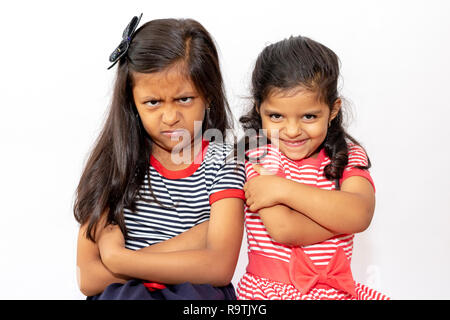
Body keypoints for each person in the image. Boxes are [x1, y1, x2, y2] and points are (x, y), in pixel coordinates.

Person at [74, 16, 246, 300]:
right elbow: (89, 278)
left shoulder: (224, 161)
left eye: (184, 99)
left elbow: (219, 268)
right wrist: (192, 241)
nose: (170, 117)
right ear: (132, 102)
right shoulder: (113, 163)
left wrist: (118, 258)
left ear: (209, 96)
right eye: (153, 102)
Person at [236, 35, 389, 300]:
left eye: (309, 116)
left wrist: (282, 188)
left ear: (332, 110)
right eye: (276, 116)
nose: (293, 131)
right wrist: (342, 219)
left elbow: (360, 214)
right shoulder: (256, 153)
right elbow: (284, 229)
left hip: (338, 293)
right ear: (259, 109)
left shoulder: (347, 156)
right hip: (268, 294)